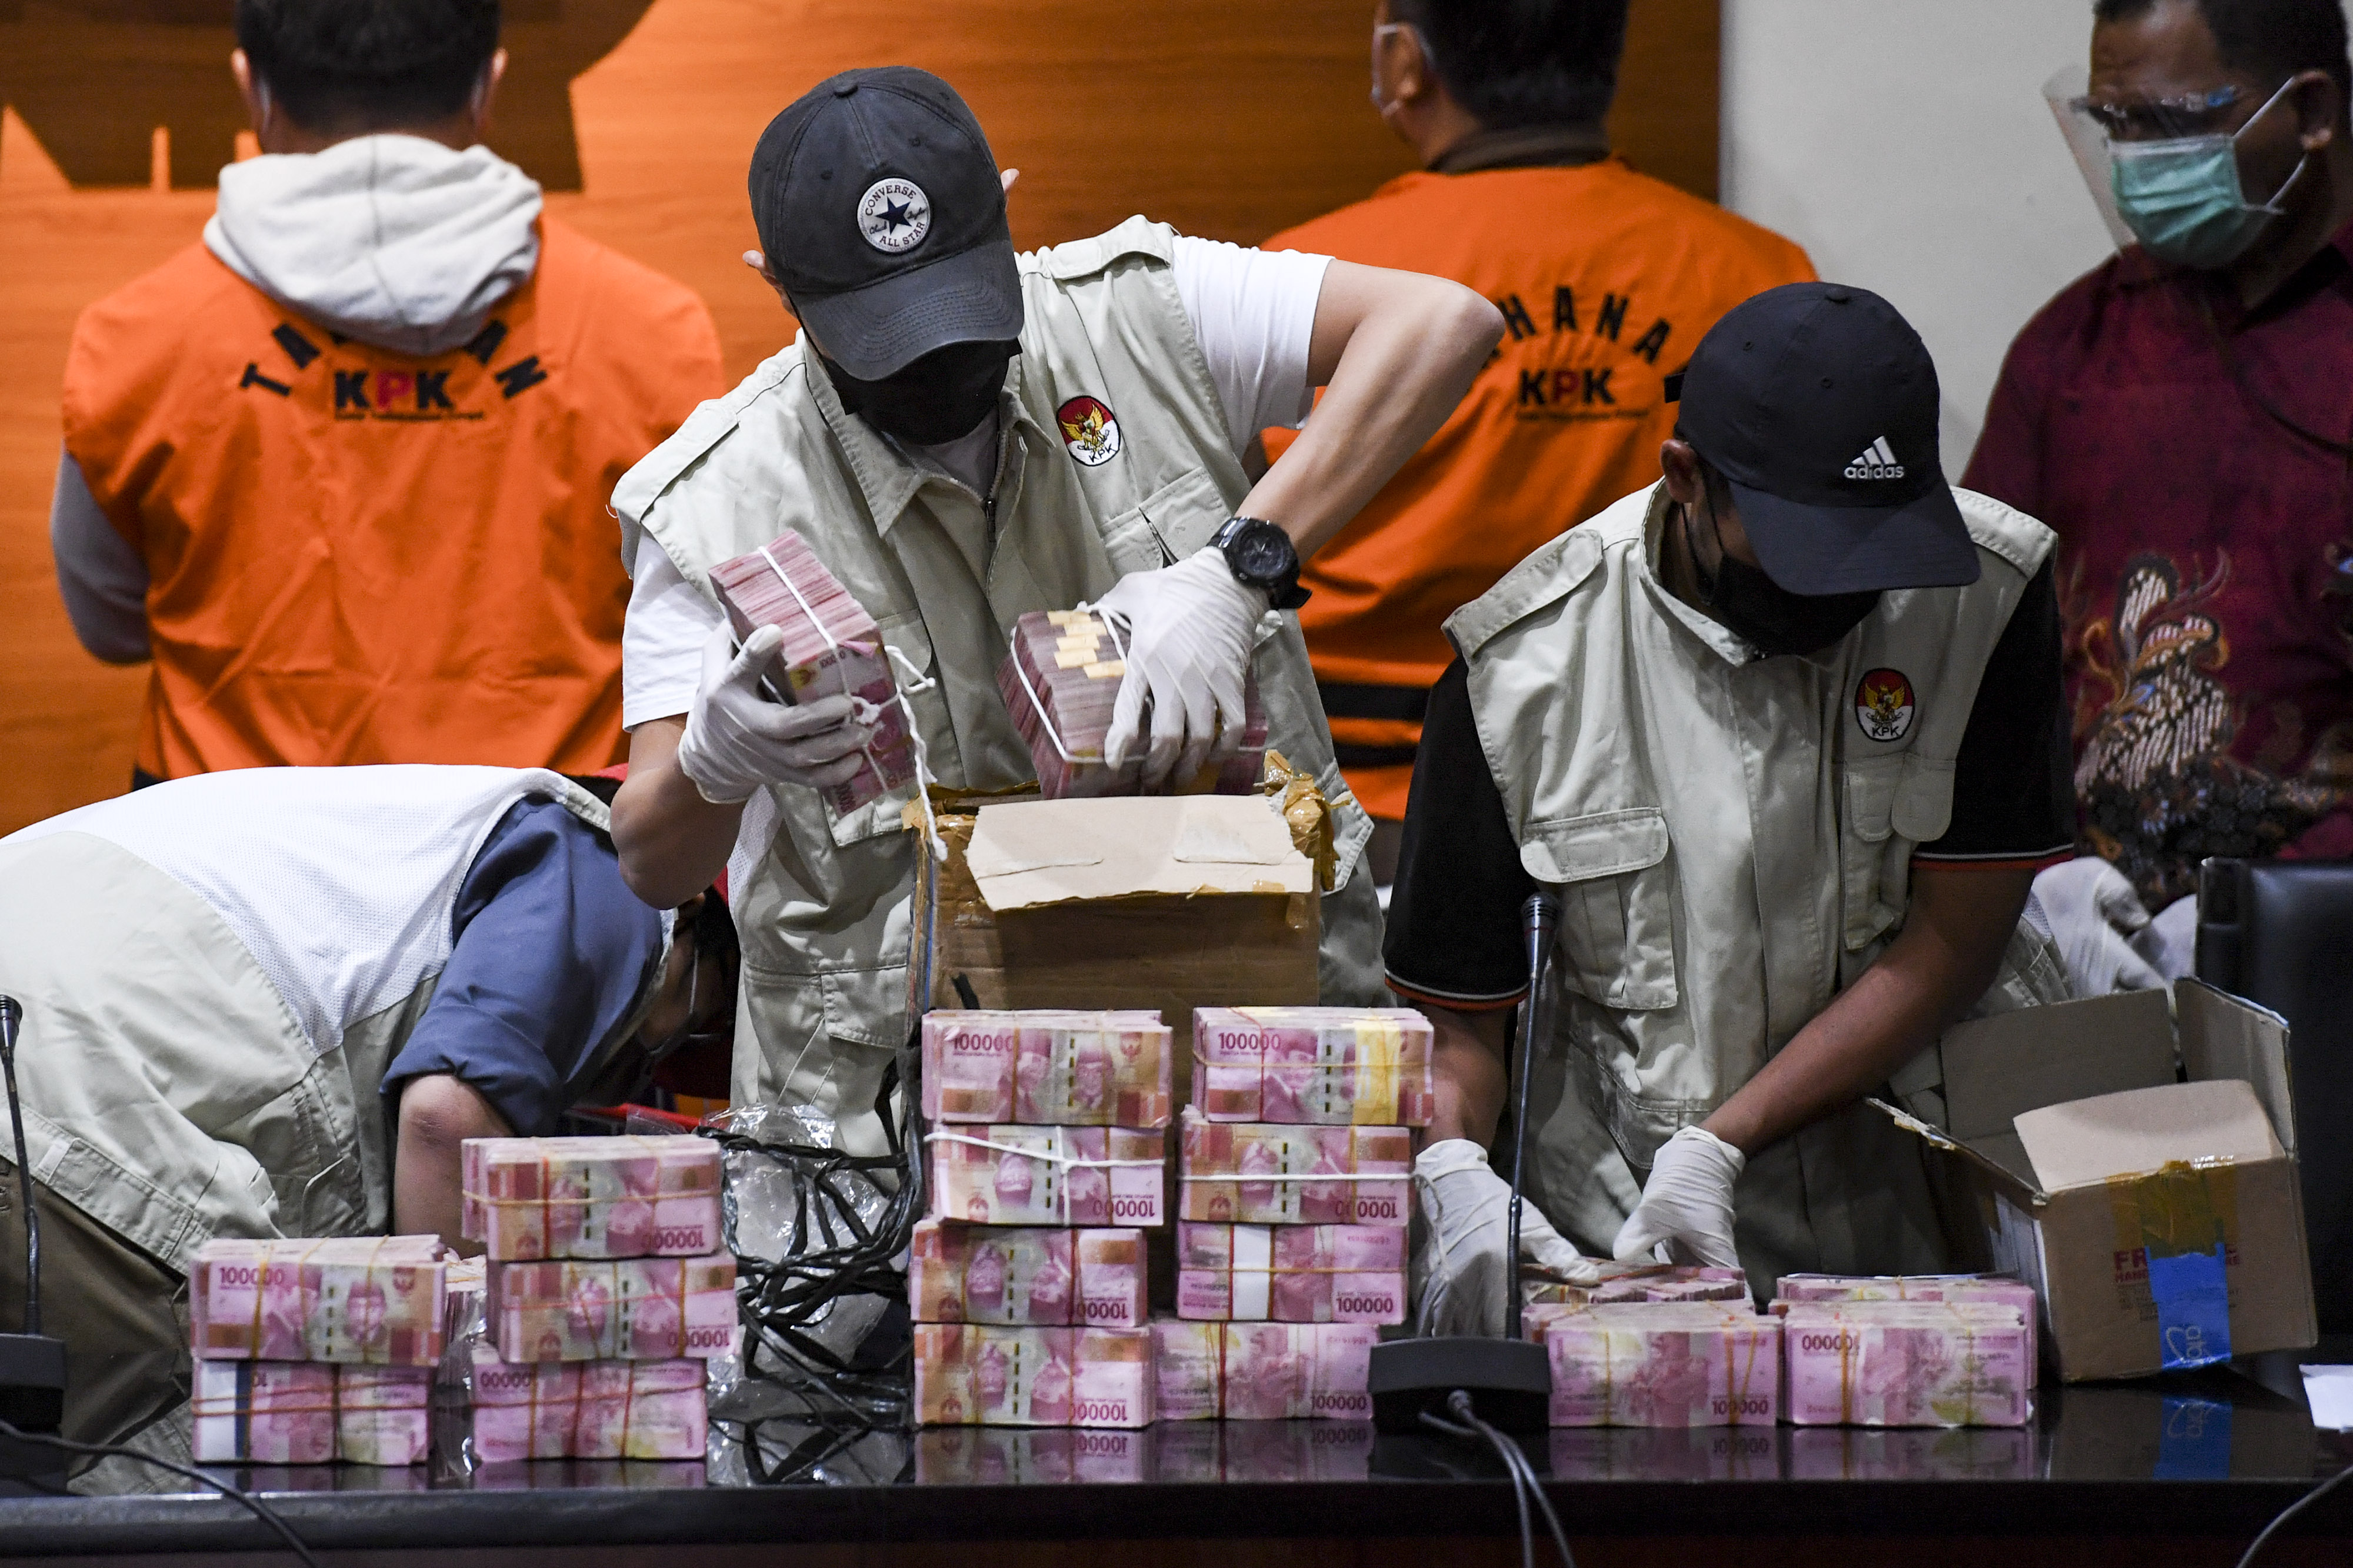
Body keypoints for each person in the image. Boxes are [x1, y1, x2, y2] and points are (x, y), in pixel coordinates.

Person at [608, 68, 1504, 1146]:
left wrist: (1236, 568)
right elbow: (651, 859)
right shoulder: (715, 501)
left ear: (1008, 210)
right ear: (778, 287)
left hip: (1243, 1078)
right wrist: (718, 763)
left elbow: (1442, 324)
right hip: (895, 1133)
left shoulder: (1145, 315)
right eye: (888, 340)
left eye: (959, 316)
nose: (938, 369)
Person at [1386, 284, 2075, 1333]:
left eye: (1877, 554)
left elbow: (1956, 937)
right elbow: (1462, 1021)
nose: (1843, 597)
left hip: (1917, 1236)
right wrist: (1453, 1169)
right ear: (1687, 482)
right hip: (1619, 1256)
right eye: (1806, 554)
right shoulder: (1520, 674)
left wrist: (1724, 1140)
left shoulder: (1988, 595)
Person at [52, 0, 725, 784]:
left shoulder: (134, 338)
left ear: (252, 89)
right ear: (488, 86)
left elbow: (111, 628)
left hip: (228, 866)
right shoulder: (656, 334)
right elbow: (689, 635)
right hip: (549, 868)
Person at [0, 764, 731, 1445]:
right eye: (693, 1022)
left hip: (49, 1055)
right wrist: (480, 1416)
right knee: (212, 1457)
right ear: (691, 901)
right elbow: (448, 1120)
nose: (639, 1073)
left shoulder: (390, 829)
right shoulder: (613, 862)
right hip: (59, 1103)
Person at [1255, 0, 1815, 881]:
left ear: (1406, 61)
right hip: (1658, 806)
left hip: (1354, 816)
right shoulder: (1764, 278)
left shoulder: (1305, 290)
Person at [1967, 0, 2353, 997]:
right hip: (2100, 946)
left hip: (2331, 950)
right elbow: (1968, 660)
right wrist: (2036, 871)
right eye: (2116, 125)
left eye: (2172, 122)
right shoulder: (2073, 354)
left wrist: (2285, 908)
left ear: (2308, 109)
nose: (2138, 161)